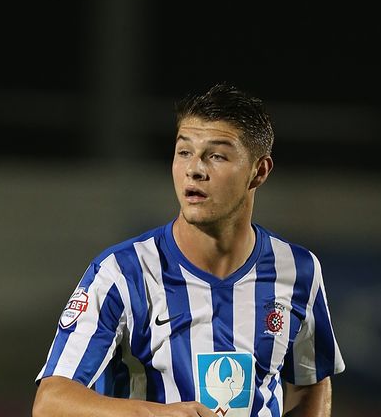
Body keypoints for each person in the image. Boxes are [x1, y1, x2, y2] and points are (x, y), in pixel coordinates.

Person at [32, 83, 345, 417]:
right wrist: (157, 414)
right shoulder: (123, 273)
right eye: (184, 152)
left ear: (259, 171)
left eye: (217, 155)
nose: (195, 169)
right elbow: (51, 402)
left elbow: (309, 380)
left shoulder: (297, 270)